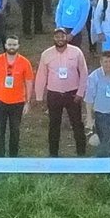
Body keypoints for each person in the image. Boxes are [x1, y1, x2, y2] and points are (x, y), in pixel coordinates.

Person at [34, 27, 89, 156]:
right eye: (57, 37)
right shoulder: (46, 54)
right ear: (54, 38)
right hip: (54, 95)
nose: (60, 39)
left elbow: (84, 72)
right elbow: (41, 76)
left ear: (66, 37)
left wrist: (80, 93)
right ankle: (53, 155)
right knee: (54, 126)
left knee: (77, 125)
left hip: (73, 95)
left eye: (62, 36)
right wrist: (39, 97)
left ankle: (81, 155)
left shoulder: (76, 52)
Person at [0, 36, 35, 157]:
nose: (11, 47)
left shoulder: (24, 62)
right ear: (5, 46)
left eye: (14, 45)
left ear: (18, 46)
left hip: (17, 102)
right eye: (9, 44)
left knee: (15, 131)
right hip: (0, 101)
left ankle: (13, 158)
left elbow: (29, 82)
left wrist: (28, 102)